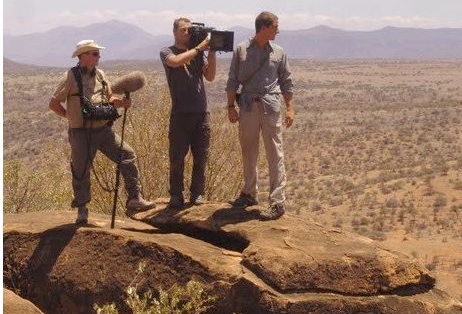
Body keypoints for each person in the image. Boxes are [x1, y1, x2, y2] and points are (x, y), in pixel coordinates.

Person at [49, 39, 155, 225]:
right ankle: (82, 210)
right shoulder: (70, 77)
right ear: (83, 56)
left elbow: (109, 96)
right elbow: (54, 103)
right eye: (95, 53)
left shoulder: (101, 75)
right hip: (80, 133)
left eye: (98, 53)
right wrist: (70, 116)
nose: (99, 56)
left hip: (103, 130)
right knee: (81, 171)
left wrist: (120, 103)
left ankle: (134, 198)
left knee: (127, 155)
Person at [226, 11, 294, 220]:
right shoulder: (241, 50)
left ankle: (277, 202)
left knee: (275, 153)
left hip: (271, 106)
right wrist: (230, 106)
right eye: (275, 26)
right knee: (249, 152)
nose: (278, 30)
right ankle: (249, 193)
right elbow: (232, 80)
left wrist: (290, 107)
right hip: (247, 106)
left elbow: (286, 81)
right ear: (263, 27)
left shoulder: (279, 52)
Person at [159, 17, 216, 208]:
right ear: (174, 31)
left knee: (201, 156)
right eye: (184, 30)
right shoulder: (167, 51)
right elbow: (175, 62)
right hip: (180, 113)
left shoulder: (197, 53)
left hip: (201, 112)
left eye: (189, 30)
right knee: (177, 157)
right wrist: (200, 48)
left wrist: (213, 51)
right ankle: (176, 195)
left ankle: (197, 193)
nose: (187, 33)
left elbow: (210, 76)